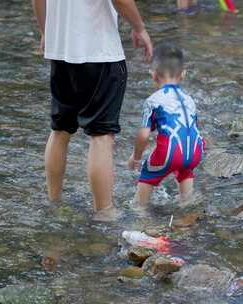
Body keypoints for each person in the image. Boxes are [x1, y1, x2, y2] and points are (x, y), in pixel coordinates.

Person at [31, 0, 153, 222]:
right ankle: (104, 211)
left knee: (60, 130)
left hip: (60, 51)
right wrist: (140, 28)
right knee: (101, 136)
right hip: (100, 53)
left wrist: (46, 31)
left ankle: (54, 202)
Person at [128, 42, 205, 210]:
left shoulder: (153, 101)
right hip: (195, 152)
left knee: (147, 176)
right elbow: (192, 129)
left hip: (168, 154)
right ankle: (186, 208)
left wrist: (136, 157)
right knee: (185, 169)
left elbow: (143, 135)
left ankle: (140, 214)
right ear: (183, 74)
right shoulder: (190, 100)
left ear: (154, 75)